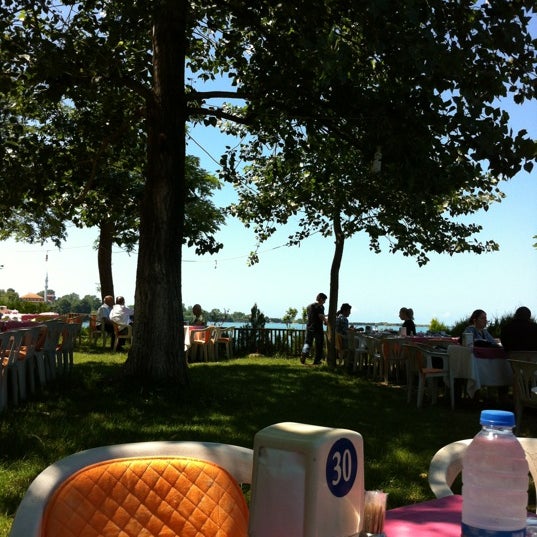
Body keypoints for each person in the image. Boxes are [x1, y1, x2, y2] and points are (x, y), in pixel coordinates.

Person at [301, 292, 327, 365]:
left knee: (307, 343)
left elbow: (313, 316)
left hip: (309, 327)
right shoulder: (320, 307)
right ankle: (317, 361)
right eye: (324, 300)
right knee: (319, 345)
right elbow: (320, 316)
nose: (324, 302)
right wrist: (326, 321)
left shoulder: (309, 306)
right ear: (321, 299)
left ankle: (304, 353)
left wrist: (324, 319)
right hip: (318, 328)